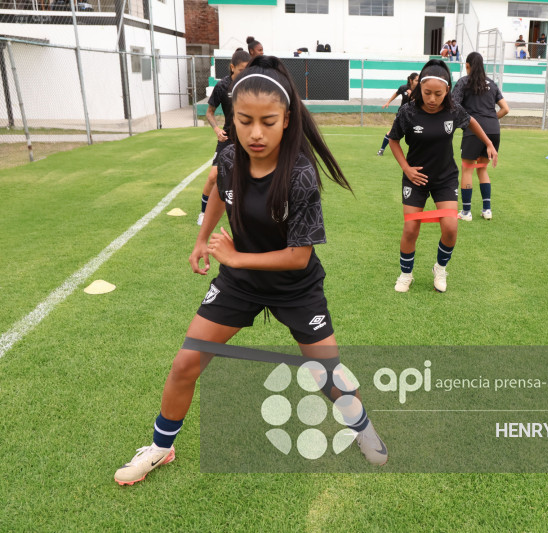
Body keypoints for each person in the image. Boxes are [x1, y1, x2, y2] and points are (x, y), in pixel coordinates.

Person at [114, 55, 388, 486]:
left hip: (296, 288)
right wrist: (203, 238)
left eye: (267, 121)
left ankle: (363, 430)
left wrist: (236, 256)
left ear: (286, 119)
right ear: (232, 118)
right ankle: (159, 449)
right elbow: (221, 193)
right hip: (239, 284)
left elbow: (299, 256)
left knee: (327, 374)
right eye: (244, 121)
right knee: (186, 362)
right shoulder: (228, 157)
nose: (255, 133)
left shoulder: (300, 175)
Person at [386, 59, 498, 293]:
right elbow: (393, 140)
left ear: (447, 90)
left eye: (438, 93)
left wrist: (488, 142)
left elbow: (472, 122)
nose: (432, 99)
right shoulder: (408, 111)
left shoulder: (453, 110)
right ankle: (406, 274)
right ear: (420, 90)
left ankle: (440, 268)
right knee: (410, 229)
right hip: (415, 179)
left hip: (445, 178)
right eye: (427, 93)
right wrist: (406, 169)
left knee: (450, 228)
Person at [452, 52, 509, 221]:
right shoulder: (491, 83)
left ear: (468, 65)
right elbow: (505, 108)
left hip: (474, 130)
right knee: (482, 168)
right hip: (493, 130)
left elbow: (453, 104)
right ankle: (487, 210)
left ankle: (466, 212)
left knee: (467, 169)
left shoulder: (464, 82)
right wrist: (491, 120)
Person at [197, 49, 251, 226]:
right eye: (242, 70)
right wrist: (216, 129)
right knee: (213, 176)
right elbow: (210, 113)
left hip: (248, 139)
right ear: (232, 67)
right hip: (227, 139)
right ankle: (203, 213)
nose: (246, 73)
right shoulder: (222, 86)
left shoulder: (252, 86)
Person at [377, 72, 419, 156]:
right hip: (402, 115)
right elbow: (396, 94)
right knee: (392, 132)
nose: (418, 82)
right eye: (416, 80)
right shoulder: (403, 88)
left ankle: (417, 152)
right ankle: (381, 150)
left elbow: (419, 101)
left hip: (414, 115)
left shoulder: (420, 90)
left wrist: (412, 96)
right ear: (411, 80)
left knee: (417, 132)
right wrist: (388, 102)